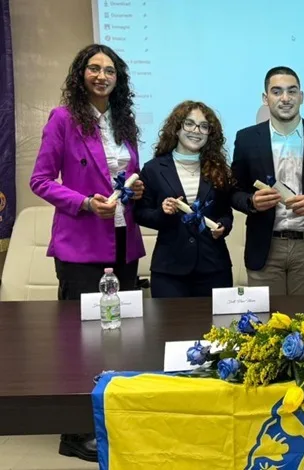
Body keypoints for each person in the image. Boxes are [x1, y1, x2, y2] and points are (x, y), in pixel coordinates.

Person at [29, 43, 145, 463]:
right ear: (82, 75)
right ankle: (74, 432)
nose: (102, 76)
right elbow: (40, 180)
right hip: (80, 245)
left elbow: (129, 175)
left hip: (123, 241)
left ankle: (111, 418)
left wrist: (136, 186)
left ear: (119, 79)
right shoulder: (63, 119)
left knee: (120, 337)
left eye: (109, 70)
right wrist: (83, 202)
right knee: (81, 342)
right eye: (94, 69)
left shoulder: (124, 122)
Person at [230, 66, 304, 295]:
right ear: (265, 98)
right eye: (277, 91)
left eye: (292, 91)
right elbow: (233, 191)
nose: (285, 98)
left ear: (301, 96)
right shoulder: (247, 138)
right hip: (265, 246)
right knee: (266, 324)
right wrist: (252, 202)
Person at [134, 101, 234, 297]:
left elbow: (226, 213)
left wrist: (223, 226)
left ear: (209, 134)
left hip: (214, 267)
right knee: (170, 327)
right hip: (170, 270)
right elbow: (140, 214)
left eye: (204, 126)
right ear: (177, 128)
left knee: (216, 327)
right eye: (189, 124)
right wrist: (163, 212)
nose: (196, 130)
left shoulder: (218, 169)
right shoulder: (153, 169)